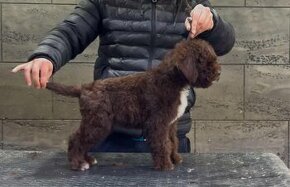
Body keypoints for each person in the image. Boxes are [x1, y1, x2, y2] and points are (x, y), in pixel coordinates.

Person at [12, 0, 235, 153]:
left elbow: (224, 44)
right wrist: (46, 55)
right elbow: (71, 31)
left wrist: (213, 21)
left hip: (171, 134)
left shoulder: (190, 2)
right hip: (112, 135)